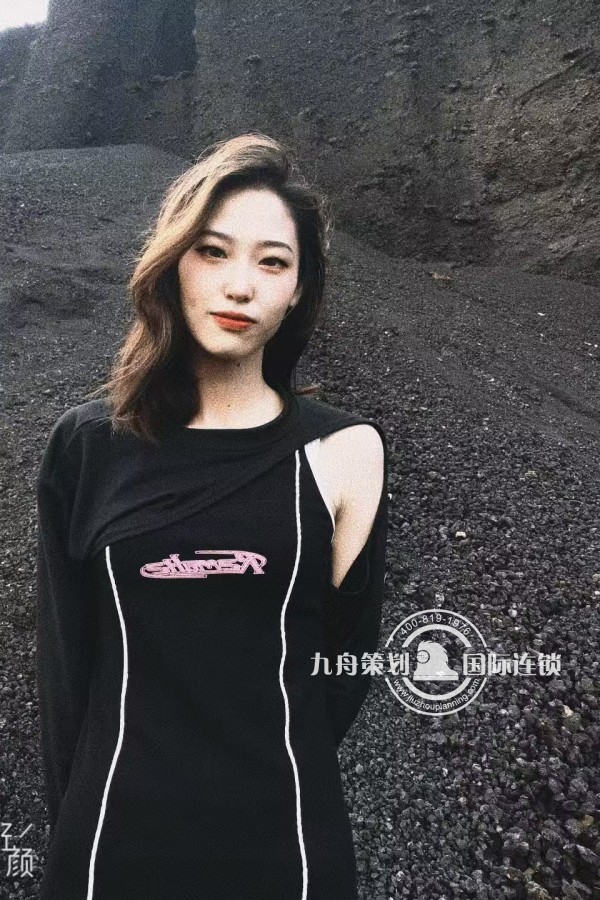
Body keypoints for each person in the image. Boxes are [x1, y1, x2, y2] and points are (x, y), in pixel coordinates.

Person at [35, 132, 389, 899]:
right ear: (173, 265)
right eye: (213, 252)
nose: (240, 286)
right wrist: (70, 831)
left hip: (286, 845)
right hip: (112, 841)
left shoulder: (345, 452)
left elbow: (345, 663)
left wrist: (272, 763)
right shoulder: (87, 447)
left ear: (298, 289)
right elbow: (65, 672)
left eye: (272, 262)